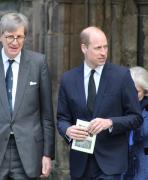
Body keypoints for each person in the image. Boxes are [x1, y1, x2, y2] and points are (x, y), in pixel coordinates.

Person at [0, 12, 55, 180]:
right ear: (0, 36)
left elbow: (47, 115)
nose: (15, 42)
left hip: (28, 154)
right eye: (9, 37)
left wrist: (47, 154)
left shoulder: (38, 63)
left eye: (19, 37)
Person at [57, 26, 143, 180]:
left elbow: (136, 117)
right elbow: (62, 118)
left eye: (105, 47)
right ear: (84, 48)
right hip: (80, 163)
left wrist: (110, 123)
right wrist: (68, 131)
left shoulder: (121, 76)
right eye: (98, 48)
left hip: (111, 163)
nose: (103, 52)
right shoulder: (68, 79)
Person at [122, 66, 148, 180]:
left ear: (145, 91)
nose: (132, 96)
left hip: (144, 166)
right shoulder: (118, 107)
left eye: (136, 91)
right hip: (122, 167)